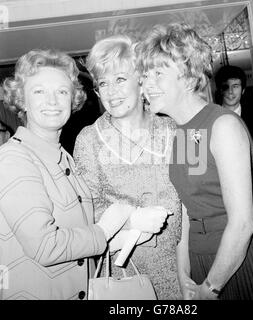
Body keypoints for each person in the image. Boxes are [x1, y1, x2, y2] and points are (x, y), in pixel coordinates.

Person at [137, 22, 253, 300]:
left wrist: (211, 287)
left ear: (188, 78)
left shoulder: (222, 125)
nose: (145, 86)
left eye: (157, 74)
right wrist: (183, 273)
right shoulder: (185, 131)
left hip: (240, 263)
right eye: (145, 76)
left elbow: (243, 224)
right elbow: (189, 211)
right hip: (202, 261)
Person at [0, 49, 168, 300]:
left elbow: (79, 239)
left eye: (62, 91)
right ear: (22, 100)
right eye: (39, 91)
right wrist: (105, 229)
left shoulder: (63, 159)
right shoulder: (13, 158)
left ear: (73, 99)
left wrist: (126, 230)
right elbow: (46, 247)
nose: (52, 101)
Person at [73, 35, 182, 300]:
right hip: (125, 276)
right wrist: (130, 219)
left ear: (141, 81)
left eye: (120, 79)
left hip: (183, 268)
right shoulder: (89, 139)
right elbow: (84, 208)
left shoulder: (175, 128)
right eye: (103, 83)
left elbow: (200, 195)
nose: (111, 92)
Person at [214, 65, 253, 145]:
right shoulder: (210, 118)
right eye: (226, 86)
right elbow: (198, 155)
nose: (230, 91)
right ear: (220, 90)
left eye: (235, 86)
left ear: (243, 90)